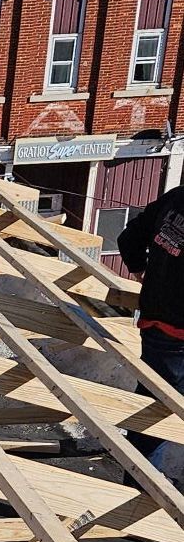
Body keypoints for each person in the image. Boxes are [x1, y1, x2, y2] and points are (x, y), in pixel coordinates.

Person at [116, 185, 184, 472]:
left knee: (150, 409)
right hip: (178, 336)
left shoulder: (177, 197)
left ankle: (136, 485)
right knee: (155, 419)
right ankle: (140, 495)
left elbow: (129, 237)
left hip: (154, 321)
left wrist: (142, 272)